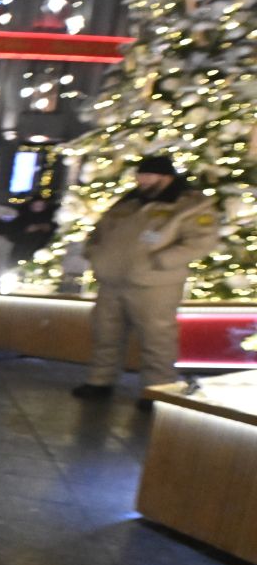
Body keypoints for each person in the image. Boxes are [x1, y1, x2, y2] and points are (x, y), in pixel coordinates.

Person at [72, 154, 222, 408]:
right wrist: (95, 254)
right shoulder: (128, 203)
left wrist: (162, 261)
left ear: (165, 177)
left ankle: (157, 391)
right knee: (105, 333)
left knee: (157, 339)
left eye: (147, 175)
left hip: (155, 284)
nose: (141, 180)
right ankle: (100, 380)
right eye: (140, 175)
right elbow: (99, 232)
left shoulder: (189, 205)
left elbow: (202, 241)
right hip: (112, 281)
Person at [9, 195, 57, 265]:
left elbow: (52, 233)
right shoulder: (22, 219)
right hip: (22, 251)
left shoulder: (49, 219)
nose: (38, 207)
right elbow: (13, 235)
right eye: (36, 205)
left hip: (41, 251)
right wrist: (26, 230)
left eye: (41, 205)